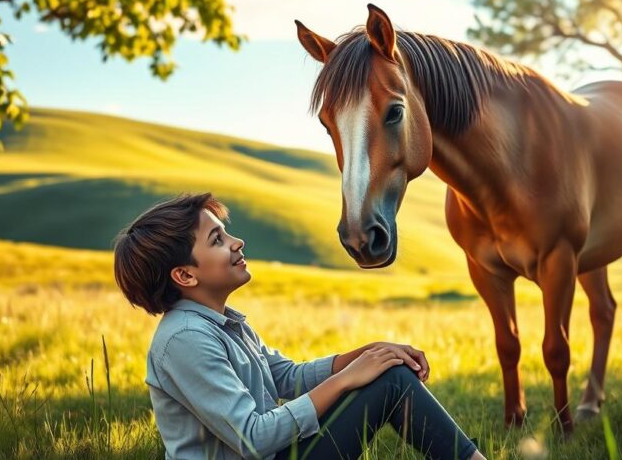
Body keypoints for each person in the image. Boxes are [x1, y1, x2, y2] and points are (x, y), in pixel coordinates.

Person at [113, 192, 485, 460]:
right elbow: (254, 438)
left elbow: (287, 378)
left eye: (225, 232)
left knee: (390, 373)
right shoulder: (185, 339)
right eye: (217, 240)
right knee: (392, 382)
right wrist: (347, 379)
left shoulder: (225, 324)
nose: (236, 242)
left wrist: (369, 353)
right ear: (184, 274)